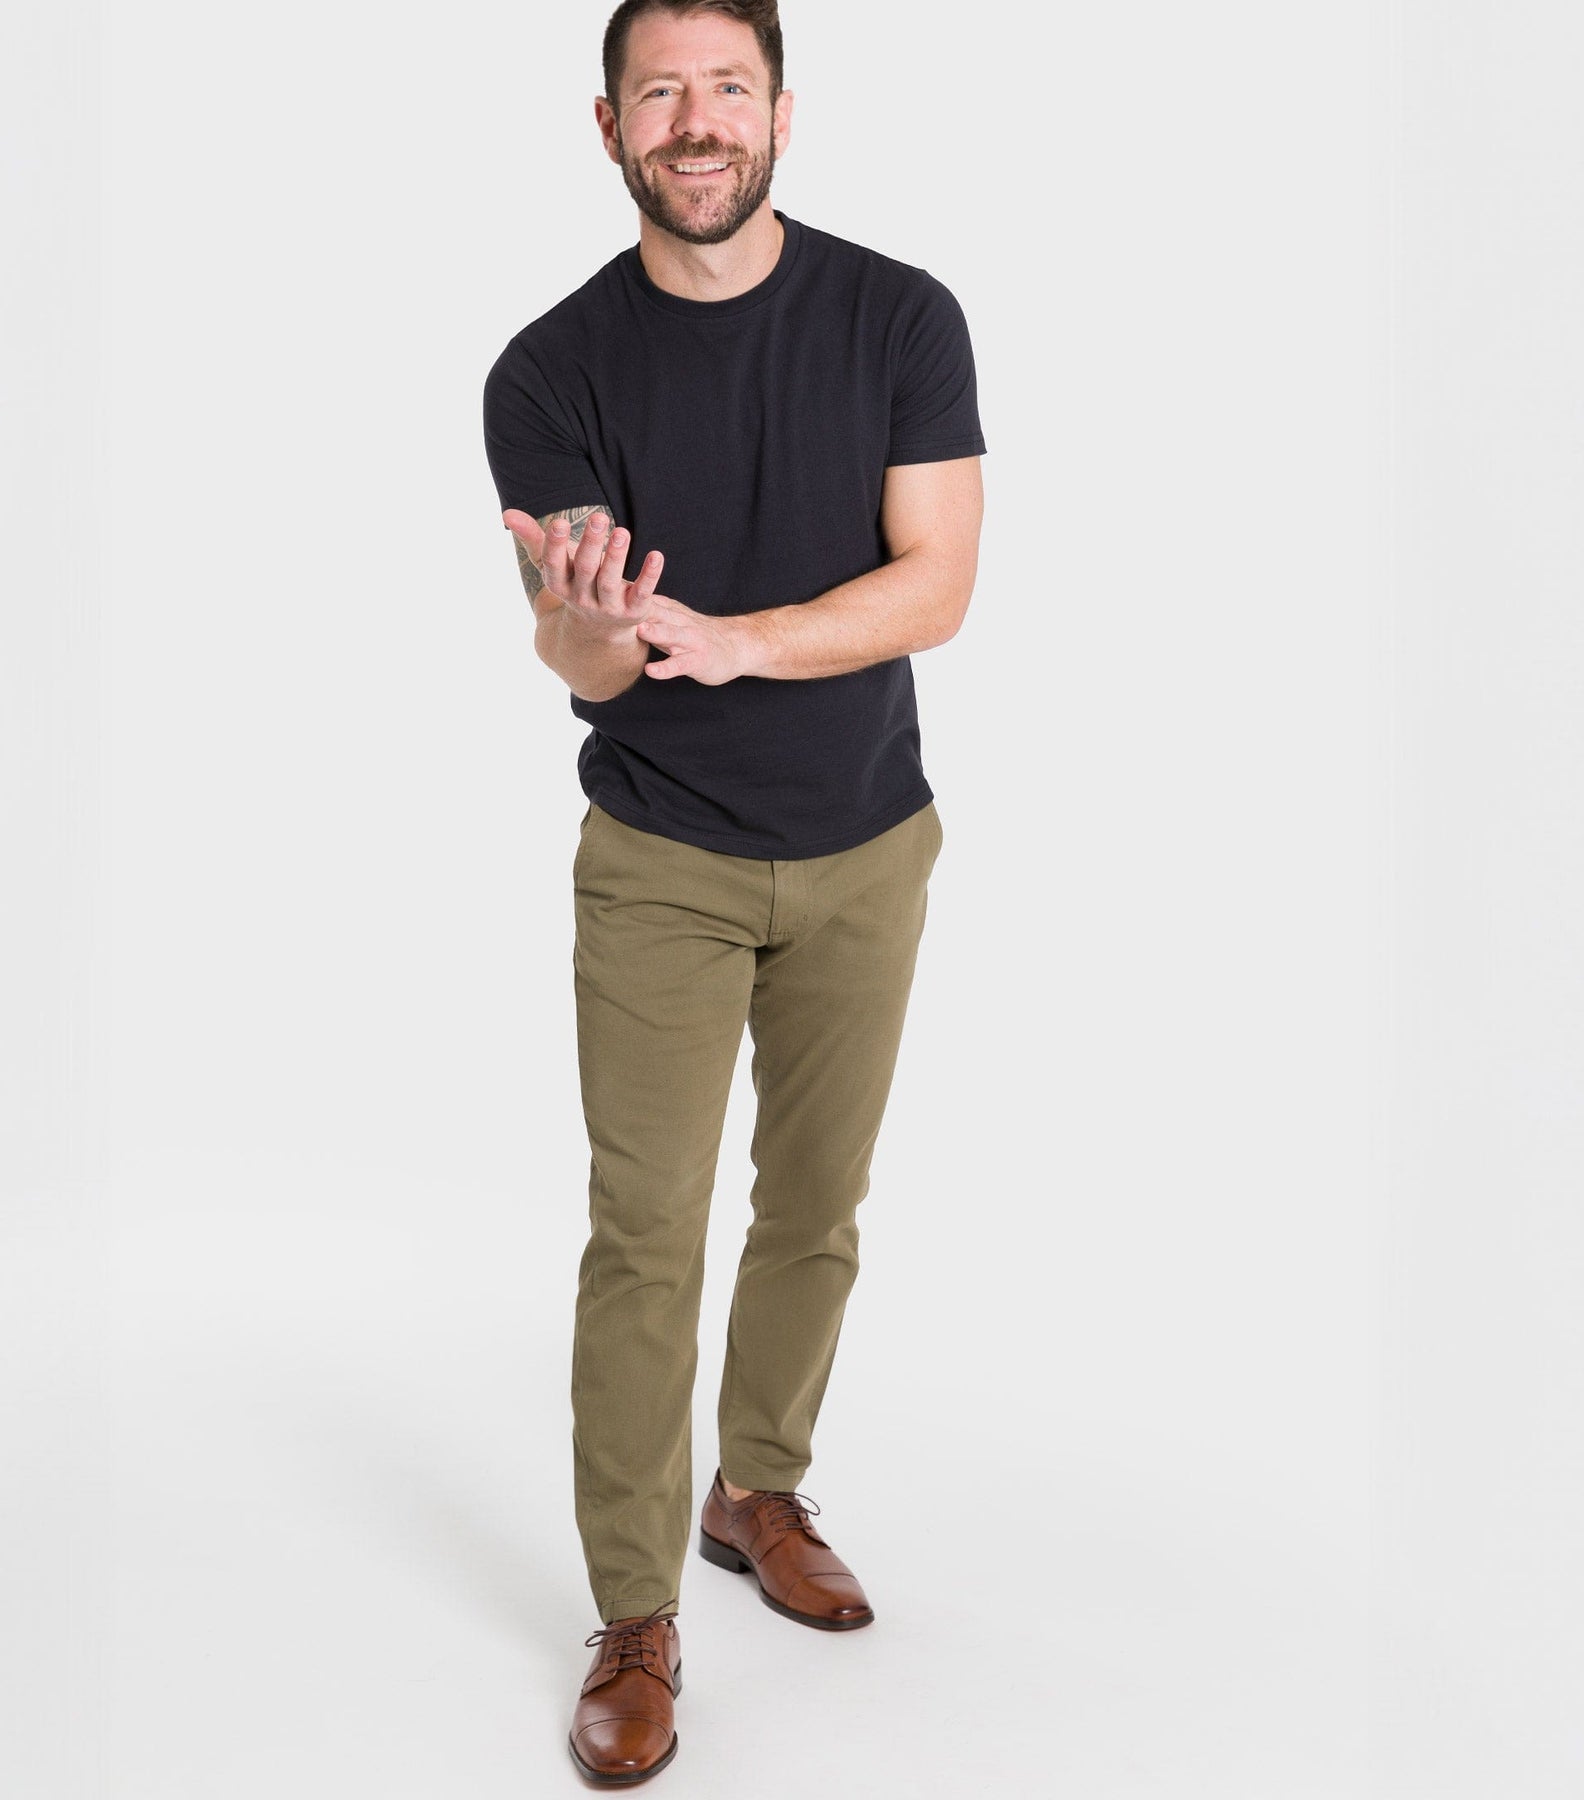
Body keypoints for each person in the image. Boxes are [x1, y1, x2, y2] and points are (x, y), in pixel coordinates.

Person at [481, 0, 985, 1782]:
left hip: (870, 840)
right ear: (607, 125)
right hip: (662, 864)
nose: (696, 123)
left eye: (727, 89)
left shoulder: (901, 317)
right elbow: (587, 660)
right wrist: (593, 631)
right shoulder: (547, 374)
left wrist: (744, 638)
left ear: (781, 111)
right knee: (647, 1236)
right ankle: (635, 1613)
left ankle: (755, 1489)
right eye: (659, 94)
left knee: (819, 1205)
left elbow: (937, 584)